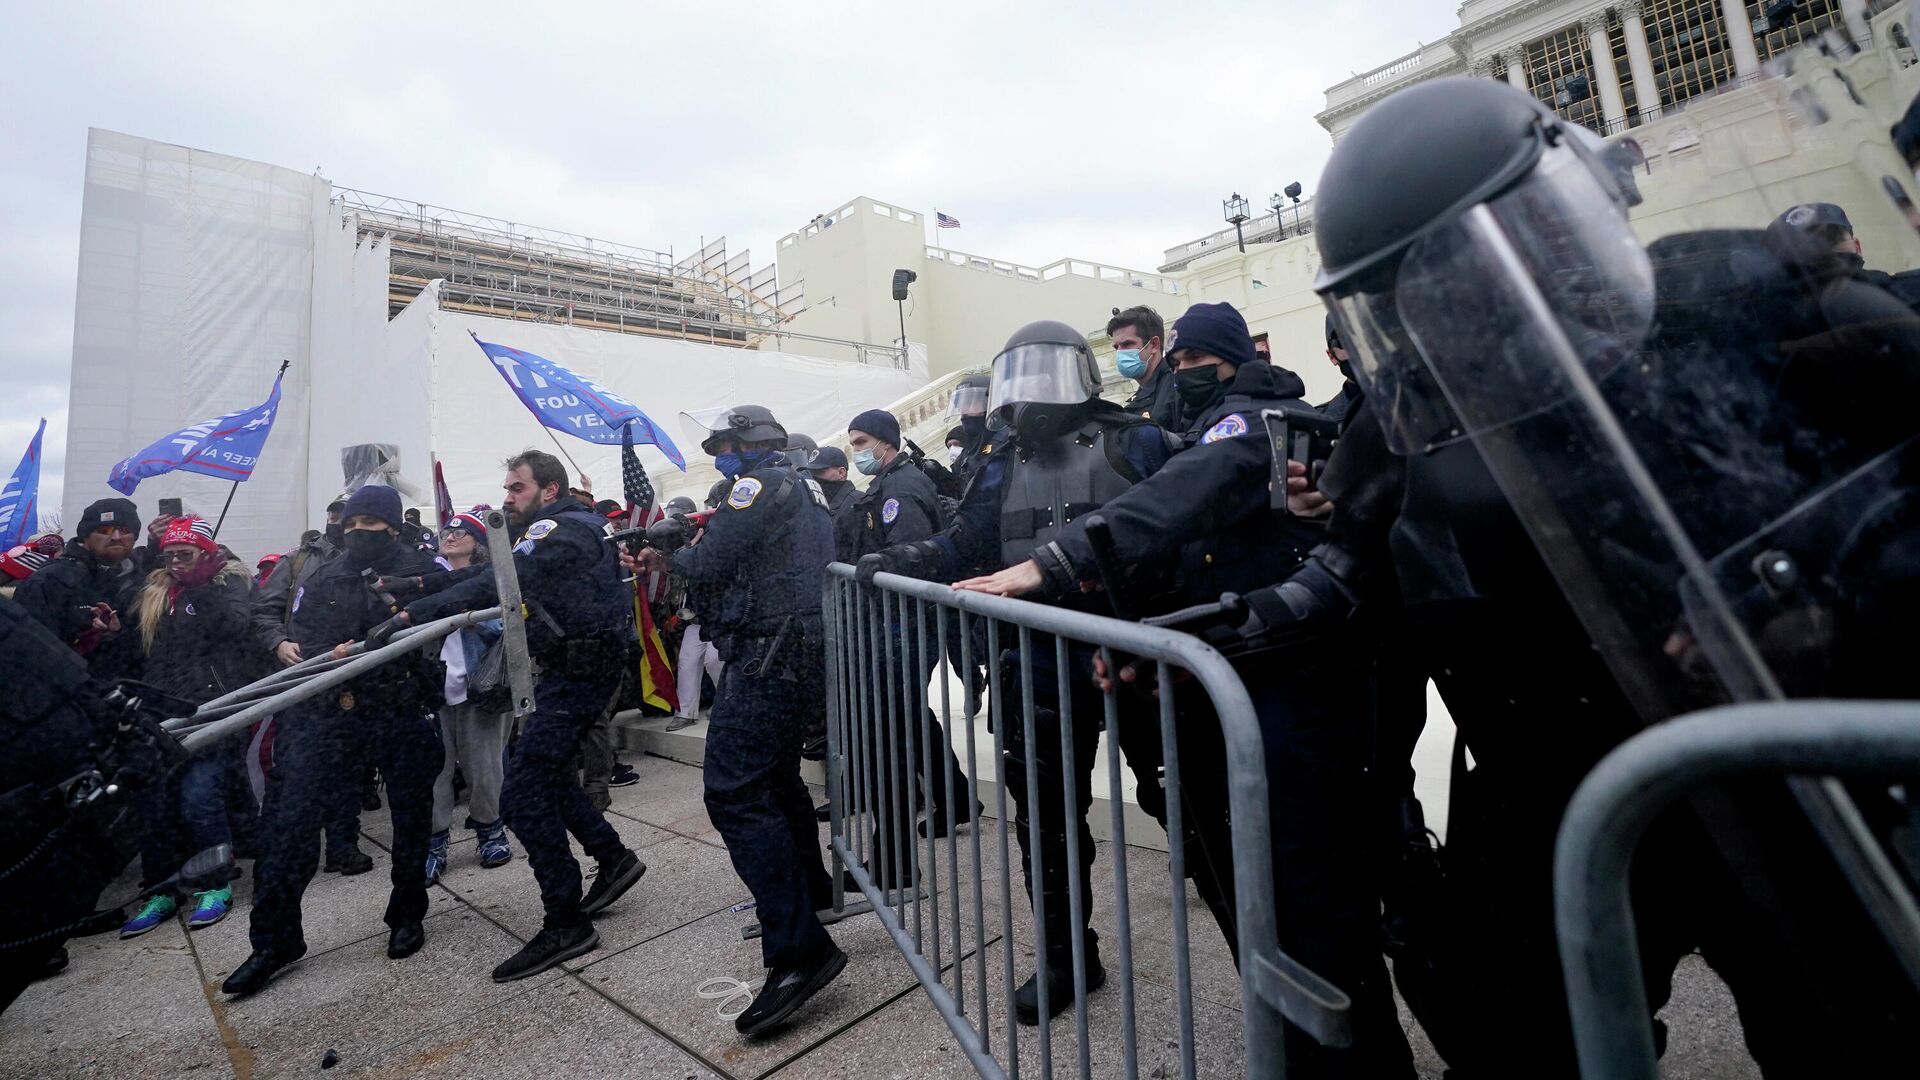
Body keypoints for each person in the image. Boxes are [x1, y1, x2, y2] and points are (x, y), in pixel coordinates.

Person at [1299, 74, 1920, 1073]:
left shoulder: (1744, 320)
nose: (1479, 300)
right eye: (1433, 284)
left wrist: (1813, 605)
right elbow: (1351, 599)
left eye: (1504, 248)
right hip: (1552, 793)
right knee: (1526, 1045)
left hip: (1762, 767)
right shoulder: (1401, 436)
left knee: (1846, 1023)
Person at [953, 303, 1415, 1076]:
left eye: (1192, 362)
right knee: (1080, 824)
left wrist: (1066, 569)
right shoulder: (1173, 433)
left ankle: (1333, 1043)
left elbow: (1178, 513)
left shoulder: (1223, 427)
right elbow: (1198, 556)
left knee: (1283, 880)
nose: (1177, 372)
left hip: (1282, 686)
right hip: (1163, 662)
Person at [856, 319, 1180, 1025]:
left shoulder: (1138, 439)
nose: (1031, 392)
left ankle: (1257, 940)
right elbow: (968, 538)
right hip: (1038, 656)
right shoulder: (1000, 462)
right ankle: (1068, 956)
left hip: (1135, 652)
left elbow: (1179, 530)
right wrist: (909, 560)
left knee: (1183, 796)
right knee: (1046, 819)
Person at [379, 450, 647, 983]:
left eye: (516, 488)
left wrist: (417, 612)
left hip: (580, 671)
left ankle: (565, 920)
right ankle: (612, 858)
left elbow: (506, 578)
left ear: (548, 489)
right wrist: (416, 588)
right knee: (542, 776)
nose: (507, 498)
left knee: (522, 793)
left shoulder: (560, 527)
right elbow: (492, 572)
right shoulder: (564, 525)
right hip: (576, 667)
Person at [628, 404, 846, 1036]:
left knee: (733, 790)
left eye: (724, 443)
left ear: (752, 442)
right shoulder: (798, 482)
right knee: (775, 779)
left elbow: (713, 562)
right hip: (792, 649)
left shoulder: (759, 484)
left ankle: (799, 952)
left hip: (770, 653)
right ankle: (814, 891)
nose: (720, 453)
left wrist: (678, 550)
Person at [223, 485, 444, 996]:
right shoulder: (325, 572)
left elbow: (433, 623)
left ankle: (406, 914)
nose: (360, 530)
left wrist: (375, 642)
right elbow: (305, 632)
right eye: (353, 521)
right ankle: (274, 940)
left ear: (392, 525)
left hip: (396, 704)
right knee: (288, 819)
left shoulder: (419, 568)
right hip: (327, 710)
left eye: (372, 521)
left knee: (410, 817)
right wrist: (319, 652)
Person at [116, 517, 261, 937]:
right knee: (156, 806)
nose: (177, 561)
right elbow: (134, 642)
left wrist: (201, 584)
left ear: (205, 552)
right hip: (159, 710)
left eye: (186, 553)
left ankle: (214, 883)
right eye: (170, 554)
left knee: (200, 799)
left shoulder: (226, 582)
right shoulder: (155, 587)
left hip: (208, 709)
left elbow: (235, 626)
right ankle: (160, 889)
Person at [842, 409, 976, 843]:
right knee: (907, 715)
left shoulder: (901, 487)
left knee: (895, 718)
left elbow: (910, 557)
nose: (856, 451)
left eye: (861, 442)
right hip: (897, 620)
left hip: (906, 621)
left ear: (885, 441)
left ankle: (897, 839)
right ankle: (954, 796)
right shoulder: (889, 483)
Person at [250, 496, 372, 875]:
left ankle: (343, 845)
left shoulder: (370, 559)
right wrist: (278, 643)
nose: (341, 522)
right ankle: (288, 851)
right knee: (295, 768)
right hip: (304, 677)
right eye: (335, 514)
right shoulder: (298, 560)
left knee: (348, 768)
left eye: (348, 515)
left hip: (353, 678)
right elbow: (263, 609)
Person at [415, 512, 514, 884]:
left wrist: (471, 616)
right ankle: (435, 841)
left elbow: (509, 623)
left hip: (480, 685)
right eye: (447, 531)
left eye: (462, 532)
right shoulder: (426, 578)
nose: (451, 536)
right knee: (434, 769)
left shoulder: (492, 578)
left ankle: (490, 829)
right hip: (435, 688)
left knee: (484, 766)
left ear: (479, 542)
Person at [13, 497, 142, 676]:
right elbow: (27, 654)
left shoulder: (142, 579)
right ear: (86, 536)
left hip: (128, 693)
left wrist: (114, 637)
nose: (116, 537)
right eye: (105, 530)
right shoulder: (50, 580)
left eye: (125, 530)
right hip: (69, 696)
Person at [1112, 305, 1178, 431]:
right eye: (1116, 347)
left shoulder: (1176, 385)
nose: (1120, 353)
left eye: (1127, 344)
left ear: (1153, 345)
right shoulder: (1139, 398)